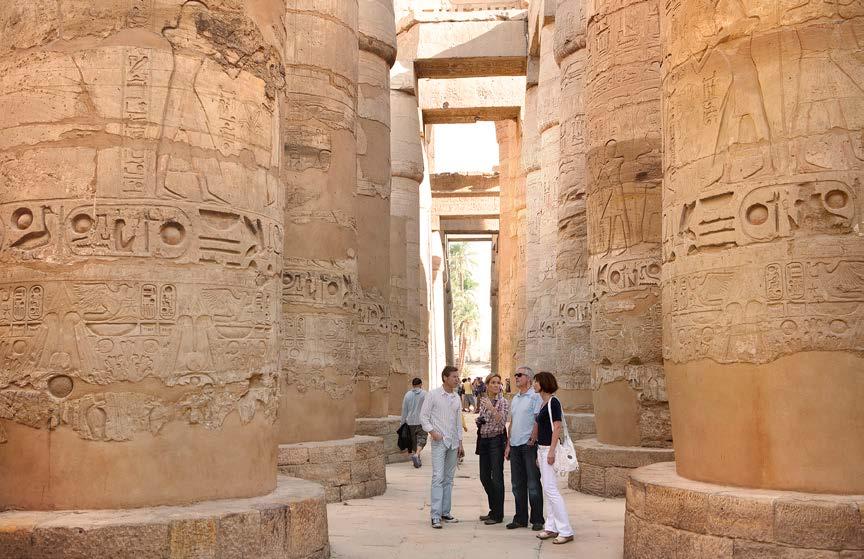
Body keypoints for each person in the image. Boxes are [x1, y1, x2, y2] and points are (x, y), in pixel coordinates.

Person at [420, 365, 465, 529]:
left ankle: (445, 512)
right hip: (439, 442)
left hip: (453, 442)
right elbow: (423, 417)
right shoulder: (433, 395)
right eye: (454, 377)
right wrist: (433, 432)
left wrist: (460, 442)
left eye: (457, 377)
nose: (457, 379)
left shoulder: (456, 398)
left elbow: (458, 421)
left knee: (449, 479)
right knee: (438, 477)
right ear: (445, 377)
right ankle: (435, 515)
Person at [532, 371, 574, 545]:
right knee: (548, 489)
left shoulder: (553, 402)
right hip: (542, 450)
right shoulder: (543, 403)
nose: (534, 384)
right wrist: (540, 453)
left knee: (551, 490)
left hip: (550, 450)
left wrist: (551, 451)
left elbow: (557, 427)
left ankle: (566, 530)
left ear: (543, 383)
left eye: (536, 381)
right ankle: (551, 527)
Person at [504, 366, 544, 531]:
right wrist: (508, 444)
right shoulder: (515, 398)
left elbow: (537, 419)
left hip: (529, 446)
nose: (516, 377)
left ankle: (537, 519)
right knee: (517, 484)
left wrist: (533, 437)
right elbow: (512, 422)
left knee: (533, 483)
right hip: (515, 445)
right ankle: (520, 518)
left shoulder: (535, 397)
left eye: (519, 375)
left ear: (528, 378)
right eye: (515, 375)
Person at [476, 372, 509, 525]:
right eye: (493, 382)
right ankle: (493, 509)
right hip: (484, 440)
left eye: (498, 382)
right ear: (487, 385)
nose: (496, 385)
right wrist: (479, 420)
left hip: (496, 441)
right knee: (484, 477)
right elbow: (486, 420)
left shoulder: (503, 402)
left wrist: (491, 408)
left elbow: (501, 422)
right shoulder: (484, 400)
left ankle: (497, 514)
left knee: (497, 478)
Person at [401, 377, 428, 468]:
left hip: (410, 421)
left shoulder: (407, 395)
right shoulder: (425, 394)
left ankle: (417, 458)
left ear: (412, 385)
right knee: (422, 438)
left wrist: (402, 422)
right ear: (420, 384)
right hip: (421, 421)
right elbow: (428, 408)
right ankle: (417, 455)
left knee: (414, 441)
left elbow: (404, 409)